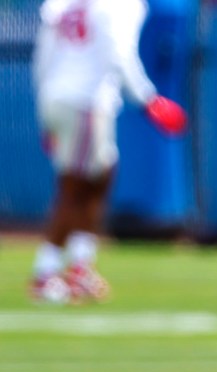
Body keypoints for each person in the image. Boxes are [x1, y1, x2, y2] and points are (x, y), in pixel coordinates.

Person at [30, 0, 187, 304]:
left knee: (97, 178)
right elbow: (118, 52)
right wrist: (148, 99)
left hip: (58, 96)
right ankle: (46, 272)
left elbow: (44, 56)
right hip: (86, 100)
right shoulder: (120, 4)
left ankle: (79, 266)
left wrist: (44, 113)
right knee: (76, 186)